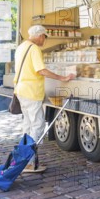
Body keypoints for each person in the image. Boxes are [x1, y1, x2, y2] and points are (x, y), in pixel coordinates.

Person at [14, 25, 75, 173]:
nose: (44, 40)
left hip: (21, 90)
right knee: (38, 126)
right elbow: (41, 70)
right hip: (31, 92)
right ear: (40, 35)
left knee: (28, 126)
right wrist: (62, 77)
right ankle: (29, 162)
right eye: (44, 37)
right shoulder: (34, 48)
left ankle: (25, 159)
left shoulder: (21, 47)